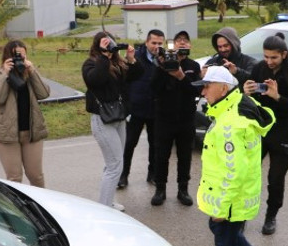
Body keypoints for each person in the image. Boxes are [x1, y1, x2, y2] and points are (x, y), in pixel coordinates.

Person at [193, 66, 275, 246]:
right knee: (223, 233)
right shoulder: (236, 105)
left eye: (207, 87)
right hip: (237, 193)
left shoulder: (230, 124)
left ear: (223, 89)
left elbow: (233, 171)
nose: (203, 92)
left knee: (225, 243)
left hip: (231, 197)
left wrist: (222, 207)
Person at [243, 34, 288, 235]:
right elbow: (250, 104)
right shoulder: (259, 68)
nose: (269, 62)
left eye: (274, 58)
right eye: (266, 56)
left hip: (282, 130)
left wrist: (277, 96)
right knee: (248, 174)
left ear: (284, 54)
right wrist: (247, 92)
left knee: (276, 178)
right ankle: (242, 215)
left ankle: (271, 216)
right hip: (260, 128)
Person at [82, 32, 142, 210]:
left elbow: (136, 75)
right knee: (115, 165)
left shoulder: (118, 63)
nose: (109, 47)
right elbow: (96, 80)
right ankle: (105, 208)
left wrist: (131, 59)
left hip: (119, 118)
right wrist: (104, 56)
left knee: (114, 163)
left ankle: (107, 201)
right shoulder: (91, 64)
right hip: (102, 120)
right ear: (97, 46)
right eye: (105, 44)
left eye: (111, 43)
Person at [0, 40, 50, 187]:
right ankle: (16, 203)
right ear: (7, 56)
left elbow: (44, 93)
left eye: (22, 55)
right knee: (14, 178)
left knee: (36, 176)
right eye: (16, 56)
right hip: (7, 133)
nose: (19, 59)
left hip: (31, 132)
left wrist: (32, 70)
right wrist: (5, 74)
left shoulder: (28, 73)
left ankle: (39, 202)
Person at [149, 30, 201, 206]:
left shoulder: (193, 66)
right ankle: (160, 189)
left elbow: (196, 91)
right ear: (172, 45)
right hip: (164, 118)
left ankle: (183, 189)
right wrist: (162, 67)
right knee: (161, 155)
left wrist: (181, 76)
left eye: (185, 40)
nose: (182, 43)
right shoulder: (161, 64)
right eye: (178, 40)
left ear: (190, 45)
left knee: (185, 156)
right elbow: (153, 89)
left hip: (186, 119)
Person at [117, 29, 165, 189]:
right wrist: (127, 105)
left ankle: (152, 174)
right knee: (129, 143)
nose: (156, 46)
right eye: (154, 43)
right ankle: (123, 175)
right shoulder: (134, 57)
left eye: (160, 43)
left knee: (155, 144)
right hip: (136, 109)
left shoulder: (164, 59)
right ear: (146, 42)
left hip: (155, 109)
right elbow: (125, 80)